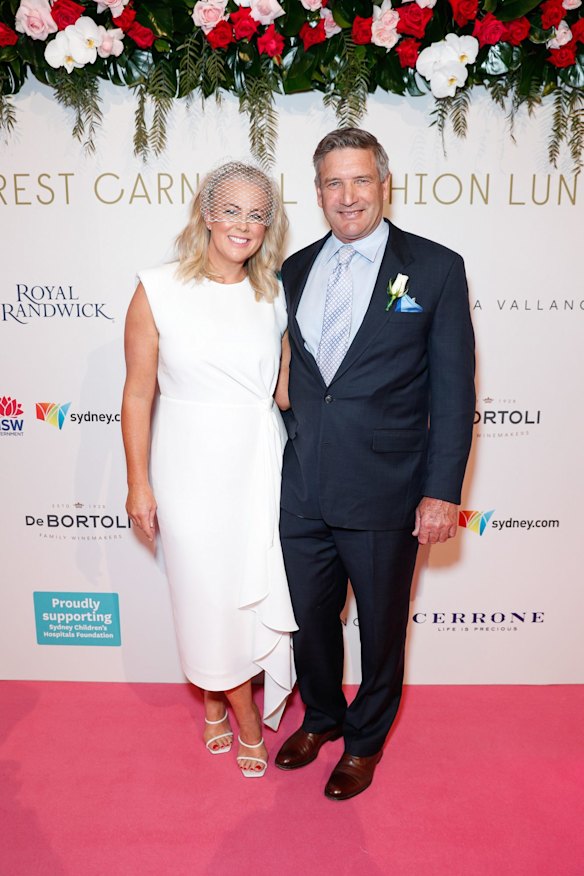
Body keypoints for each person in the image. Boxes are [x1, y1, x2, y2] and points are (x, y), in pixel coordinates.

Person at [275, 128, 475, 800]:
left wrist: (441, 491)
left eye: (360, 179)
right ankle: (322, 717)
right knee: (309, 623)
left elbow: (453, 393)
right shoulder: (294, 269)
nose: (348, 195)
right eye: (333, 182)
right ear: (317, 192)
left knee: (382, 631)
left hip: (388, 490)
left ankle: (364, 742)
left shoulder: (435, 268)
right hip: (303, 487)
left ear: (384, 184)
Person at [121, 161, 297, 779]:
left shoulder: (273, 294)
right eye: (231, 210)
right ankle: (244, 717)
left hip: (259, 464)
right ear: (205, 214)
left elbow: (283, 391)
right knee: (206, 597)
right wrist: (137, 483)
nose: (244, 225)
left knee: (250, 596)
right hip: (189, 466)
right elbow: (137, 394)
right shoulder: (157, 288)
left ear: (269, 226)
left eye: (258, 214)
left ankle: (218, 707)